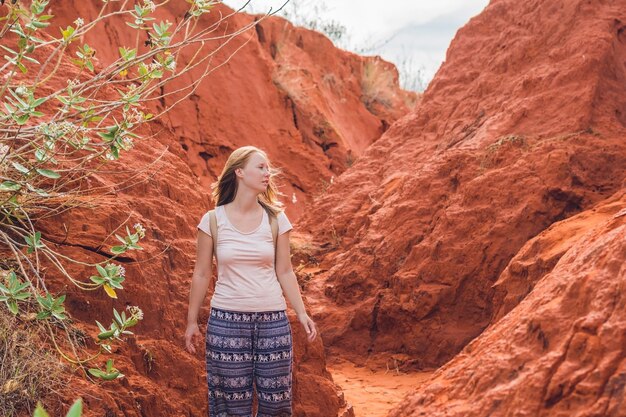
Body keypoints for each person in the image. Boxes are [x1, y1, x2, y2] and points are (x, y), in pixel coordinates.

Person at [185, 146, 318, 417]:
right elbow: (201, 273)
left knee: (277, 404)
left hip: (273, 323)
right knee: (228, 405)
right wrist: (191, 321)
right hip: (226, 323)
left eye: (268, 167)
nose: (267, 172)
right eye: (260, 166)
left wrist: (302, 313)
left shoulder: (276, 219)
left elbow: (285, 271)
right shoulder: (212, 220)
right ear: (239, 172)